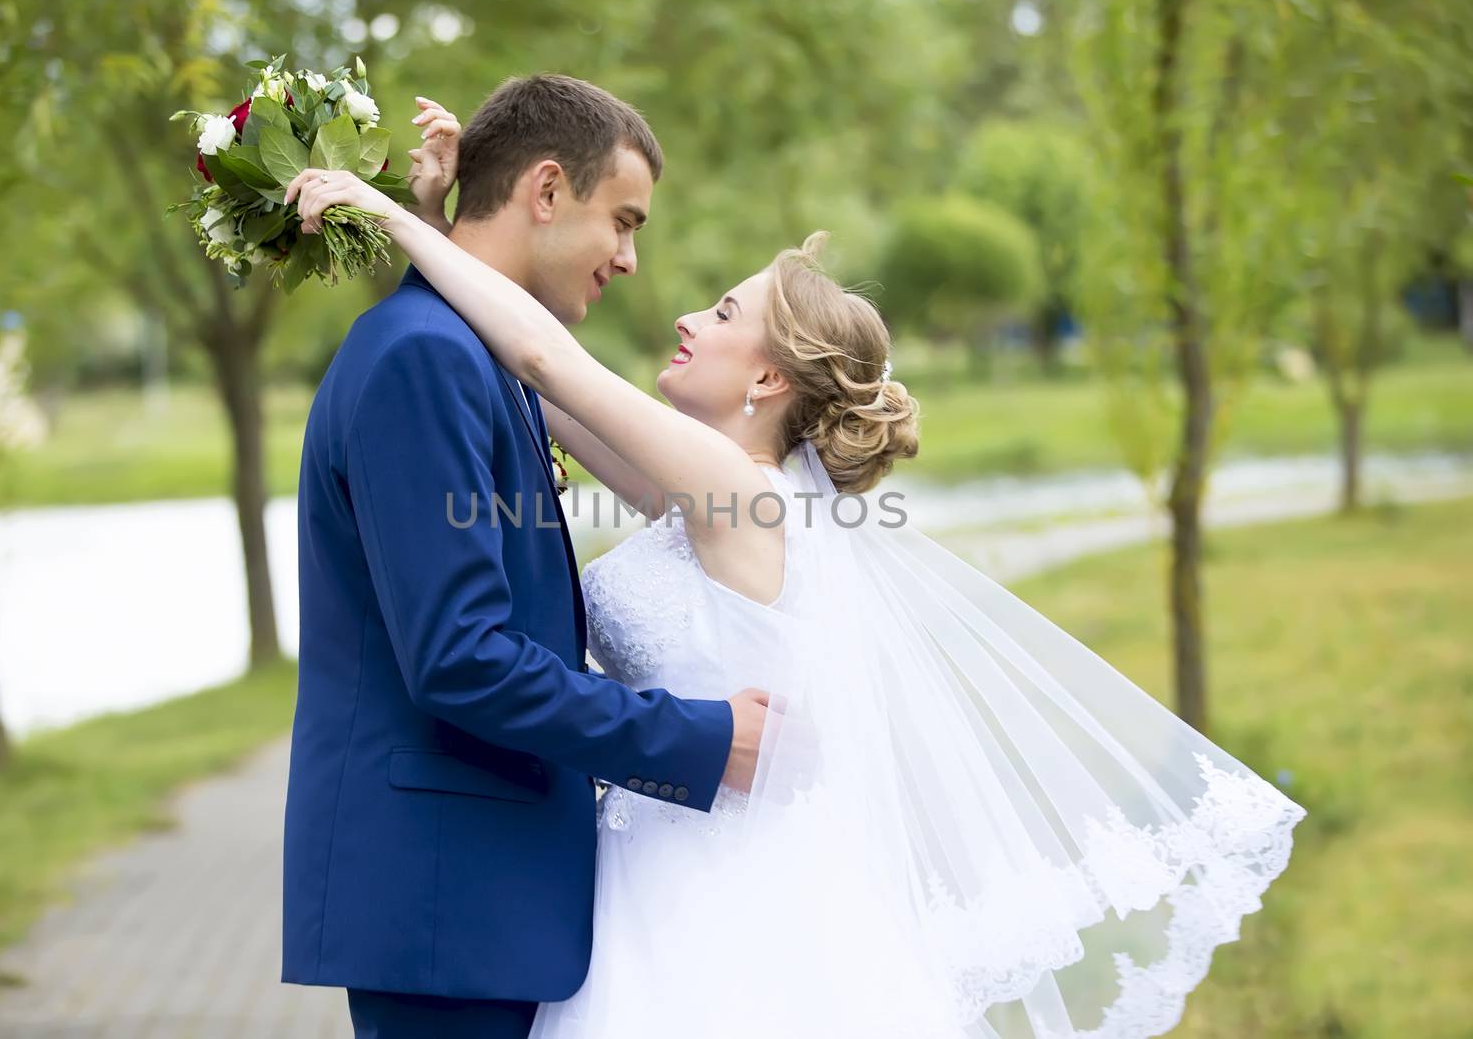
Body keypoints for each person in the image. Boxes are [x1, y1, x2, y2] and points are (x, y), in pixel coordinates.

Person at [287, 86, 1307, 1038]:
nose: (684, 312)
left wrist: (393, 217)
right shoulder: (694, 490)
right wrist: (449, 220)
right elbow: (520, 370)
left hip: (712, 870)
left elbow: (549, 362)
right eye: (631, 227)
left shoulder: (740, 495)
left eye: (724, 314)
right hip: (652, 859)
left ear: (769, 374)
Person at [279, 75, 771, 1039]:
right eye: (622, 220)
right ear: (546, 191)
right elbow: (461, 656)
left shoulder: (463, 352)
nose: (630, 260)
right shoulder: (427, 359)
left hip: (480, 901)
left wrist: (419, 221)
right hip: (445, 904)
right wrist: (704, 741)